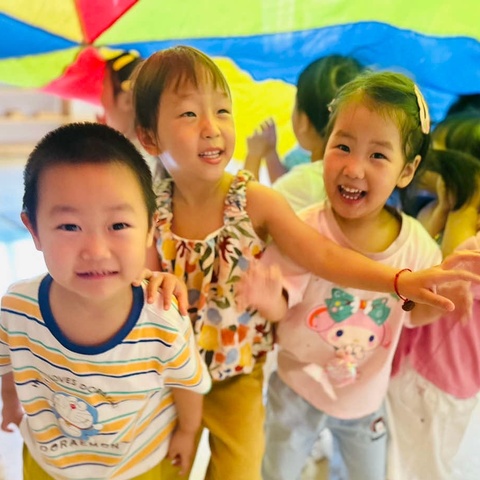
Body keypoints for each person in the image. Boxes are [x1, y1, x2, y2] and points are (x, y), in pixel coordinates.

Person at [132, 45, 480, 480]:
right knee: (188, 463)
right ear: (149, 136)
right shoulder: (149, 208)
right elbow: (136, 281)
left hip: (281, 381)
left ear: (406, 170)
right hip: (197, 373)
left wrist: (417, 288)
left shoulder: (256, 201)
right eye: (189, 115)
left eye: (223, 110)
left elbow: (331, 262)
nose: (211, 128)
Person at [235, 71, 480, 480]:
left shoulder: (416, 244)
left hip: (365, 398)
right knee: (275, 469)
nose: (353, 168)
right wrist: (266, 297)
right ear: (324, 146)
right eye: (343, 146)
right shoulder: (305, 229)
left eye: (378, 156)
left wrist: (440, 306)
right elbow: (284, 303)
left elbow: (411, 314)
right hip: (299, 384)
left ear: (407, 170)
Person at [0, 122, 211, 479]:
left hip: (137, 462)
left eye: (118, 226)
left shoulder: (161, 315)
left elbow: (186, 383)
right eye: (69, 227)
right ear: (34, 230)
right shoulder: (17, 308)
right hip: (49, 462)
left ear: (150, 228)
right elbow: (9, 364)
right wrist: (10, 405)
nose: (96, 252)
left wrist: (189, 432)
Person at [388, 147, 480, 480]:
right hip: (424, 377)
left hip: (436, 384)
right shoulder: (443, 229)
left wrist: (452, 211)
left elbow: (452, 267)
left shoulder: (471, 249)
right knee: (402, 457)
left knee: (423, 465)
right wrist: (443, 210)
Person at [245, 55, 364, 211]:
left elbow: (247, 214)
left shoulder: (308, 181)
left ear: (304, 122)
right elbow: (291, 189)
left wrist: (253, 157)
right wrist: (270, 153)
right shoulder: (364, 172)